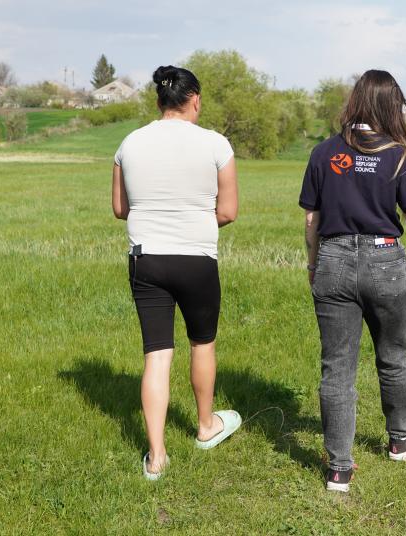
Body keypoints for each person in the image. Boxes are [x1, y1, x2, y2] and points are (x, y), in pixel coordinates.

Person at [298, 70, 406, 492]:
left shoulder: (324, 152)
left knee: (336, 367)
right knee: (393, 356)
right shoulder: (400, 154)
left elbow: (311, 219)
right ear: (393, 106)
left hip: (334, 259)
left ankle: (339, 467)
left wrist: (313, 263)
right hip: (385, 259)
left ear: (356, 102)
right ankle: (399, 439)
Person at [112, 65, 242, 481]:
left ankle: (156, 457)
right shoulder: (216, 144)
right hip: (197, 259)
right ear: (196, 100)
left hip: (147, 259)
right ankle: (205, 427)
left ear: (158, 102)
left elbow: (120, 209)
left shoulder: (129, 143)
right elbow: (228, 211)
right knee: (202, 343)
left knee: (157, 353)